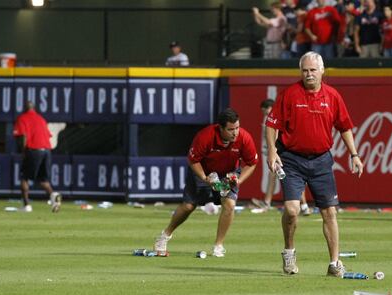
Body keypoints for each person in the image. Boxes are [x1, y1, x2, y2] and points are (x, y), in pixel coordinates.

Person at [264, 52, 364, 276]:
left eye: (312, 70)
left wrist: (354, 154)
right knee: (291, 209)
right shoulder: (289, 94)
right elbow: (271, 124)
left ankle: (334, 263)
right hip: (291, 159)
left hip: (321, 161)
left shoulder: (333, 96)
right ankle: (289, 253)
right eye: (305, 70)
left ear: (322, 71)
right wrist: (272, 151)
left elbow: (345, 126)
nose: (308, 74)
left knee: (330, 212)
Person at [154, 109, 258, 258]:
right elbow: (193, 160)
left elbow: (252, 163)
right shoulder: (205, 136)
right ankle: (165, 235)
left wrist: (238, 180)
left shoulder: (244, 137)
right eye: (230, 129)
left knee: (229, 205)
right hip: (204, 171)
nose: (235, 133)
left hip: (228, 174)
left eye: (237, 128)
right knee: (188, 206)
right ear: (220, 128)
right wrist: (204, 177)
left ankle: (218, 245)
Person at [252, 99, 312, 215]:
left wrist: (274, 152)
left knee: (293, 178)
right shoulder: (271, 118)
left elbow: (277, 136)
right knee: (274, 177)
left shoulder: (277, 117)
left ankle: (303, 206)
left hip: (282, 153)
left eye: (265, 110)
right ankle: (303, 206)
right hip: (280, 152)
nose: (265, 113)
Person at [13, 101, 61, 213]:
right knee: (43, 180)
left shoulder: (23, 118)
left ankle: (26, 206)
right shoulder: (41, 118)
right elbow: (48, 135)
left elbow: (23, 135)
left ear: (25, 108)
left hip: (33, 149)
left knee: (24, 177)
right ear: (34, 108)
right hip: (46, 150)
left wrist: (24, 151)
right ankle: (54, 197)